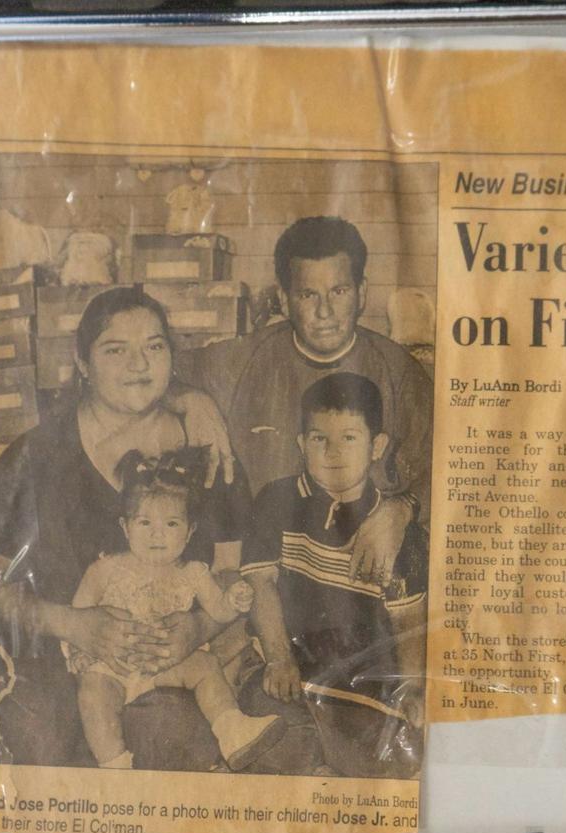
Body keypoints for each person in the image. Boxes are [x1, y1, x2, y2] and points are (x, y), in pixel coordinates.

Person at [0, 287, 249, 769]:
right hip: (63, 672)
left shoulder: (210, 453)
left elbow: (234, 573)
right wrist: (73, 624)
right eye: (115, 350)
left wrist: (199, 626)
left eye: (154, 346)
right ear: (82, 363)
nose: (139, 364)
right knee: (40, 740)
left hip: (186, 668)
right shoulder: (34, 456)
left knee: (180, 737)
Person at [174, 215, 433, 584]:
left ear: (362, 293)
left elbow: (444, 471)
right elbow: (154, 368)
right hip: (258, 583)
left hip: (362, 583)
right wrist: (188, 398)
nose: (324, 312)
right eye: (308, 294)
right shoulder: (243, 359)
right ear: (284, 299)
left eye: (338, 292)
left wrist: (401, 509)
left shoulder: (400, 373)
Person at [242, 374, 427, 779]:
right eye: (317, 438)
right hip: (289, 671)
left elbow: (408, 618)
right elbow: (261, 585)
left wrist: (413, 686)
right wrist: (278, 658)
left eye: (348, 438)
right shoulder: (276, 500)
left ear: (377, 446)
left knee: (379, 755)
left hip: (360, 685)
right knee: (267, 724)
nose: (331, 451)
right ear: (300, 444)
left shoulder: (399, 531)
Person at [67, 449, 285, 771]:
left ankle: (232, 730)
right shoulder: (106, 569)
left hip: (169, 664)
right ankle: (114, 766)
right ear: (125, 527)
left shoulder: (194, 573)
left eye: (171, 523)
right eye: (144, 522)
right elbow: (78, 615)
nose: (157, 534)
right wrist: (78, 650)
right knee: (92, 693)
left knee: (206, 663)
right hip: (112, 664)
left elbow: (218, 612)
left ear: (190, 530)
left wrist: (234, 600)